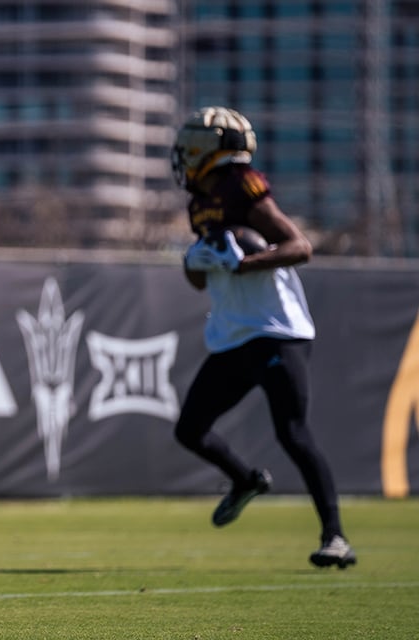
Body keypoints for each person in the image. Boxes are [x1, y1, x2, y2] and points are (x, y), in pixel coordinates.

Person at [171, 106, 356, 569]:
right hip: (234, 334)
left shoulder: (242, 185)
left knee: (292, 432)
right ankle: (245, 479)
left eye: (189, 146)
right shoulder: (200, 203)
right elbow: (200, 282)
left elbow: (299, 247)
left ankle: (335, 536)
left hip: (278, 332)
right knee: (189, 429)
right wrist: (198, 262)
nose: (182, 157)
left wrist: (243, 263)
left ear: (206, 148)